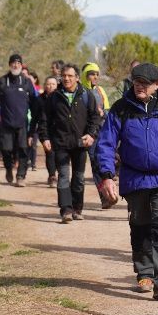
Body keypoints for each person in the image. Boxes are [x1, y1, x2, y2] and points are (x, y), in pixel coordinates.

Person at [97, 63, 158, 301]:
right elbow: (106, 143)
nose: (139, 86)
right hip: (135, 177)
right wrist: (106, 175)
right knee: (140, 224)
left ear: (157, 84)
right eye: (136, 81)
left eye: (145, 82)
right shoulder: (121, 109)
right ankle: (144, 272)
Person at [38, 64, 100, 222]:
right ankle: (66, 210)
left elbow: (95, 118)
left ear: (77, 78)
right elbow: (44, 119)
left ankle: (77, 209)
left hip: (81, 144)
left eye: (70, 76)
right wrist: (44, 138)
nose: (66, 78)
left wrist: (91, 135)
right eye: (64, 76)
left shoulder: (86, 95)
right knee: (64, 176)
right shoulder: (54, 97)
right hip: (60, 143)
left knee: (79, 178)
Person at [0, 54, 37, 187]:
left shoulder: (27, 82)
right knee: (6, 149)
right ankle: (8, 169)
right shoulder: (2, 81)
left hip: (23, 124)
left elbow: (35, 103)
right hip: (6, 123)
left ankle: (21, 176)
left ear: (21, 65)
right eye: (13, 63)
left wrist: (35, 122)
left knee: (23, 149)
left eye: (18, 63)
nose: (15, 65)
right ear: (9, 65)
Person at [81, 62, 111, 207]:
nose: (95, 77)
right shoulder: (80, 91)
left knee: (103, 162)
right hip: (88, 133)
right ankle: (104, 196)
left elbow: (107, 111)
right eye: (92, 74)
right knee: (95, 163)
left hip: (103, 131)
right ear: (85, 76)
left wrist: (102, 112)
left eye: (97, 74)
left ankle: (107, 193)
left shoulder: (100, 91)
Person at [32, 76, 60, 187]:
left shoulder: (61, 98)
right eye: (48, 84)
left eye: (53, 84)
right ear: (44, 86)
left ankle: (61, 174)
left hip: (60, 131)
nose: (50, 86)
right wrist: (32, 132)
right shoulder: (39, 100)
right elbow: (35, 117)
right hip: (45, 130)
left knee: (59, 154)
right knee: (50, 153)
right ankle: (52, 176)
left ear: (57, 86)